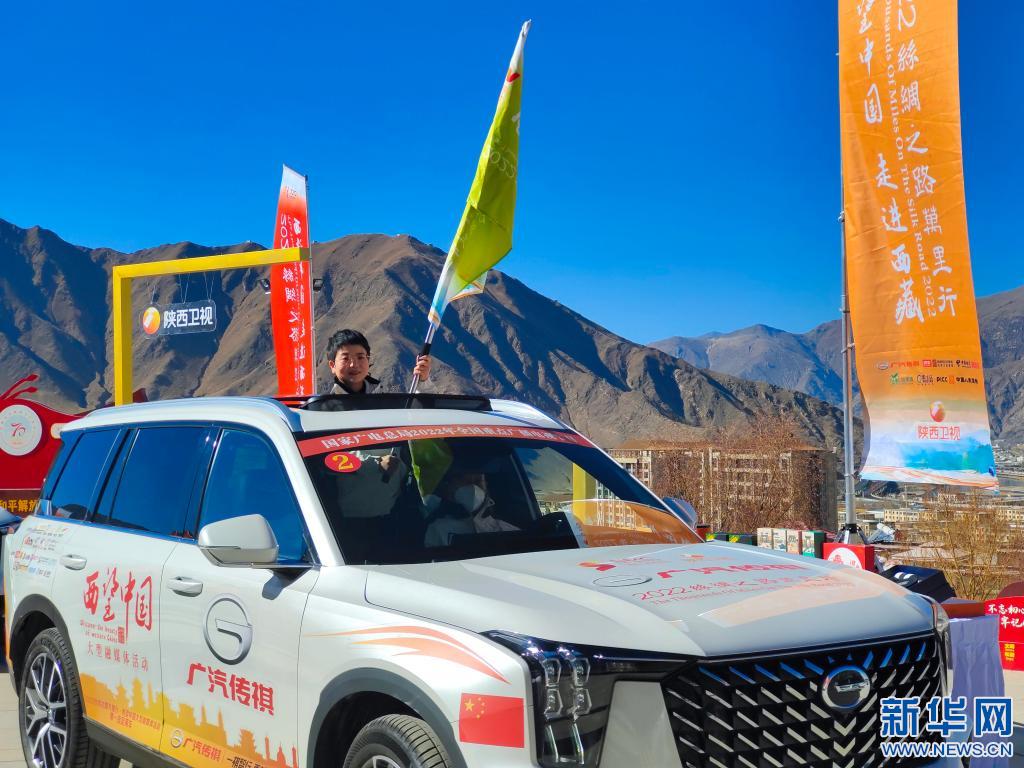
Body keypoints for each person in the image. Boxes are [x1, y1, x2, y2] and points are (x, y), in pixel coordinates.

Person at [325, 329, 431, 395]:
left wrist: (423, 381)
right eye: (345, 359)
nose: (354, 364)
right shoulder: (325, 409)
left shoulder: (385, 398)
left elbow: (418, 415)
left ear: (368, 360)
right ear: (332, 365)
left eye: (360, 357)